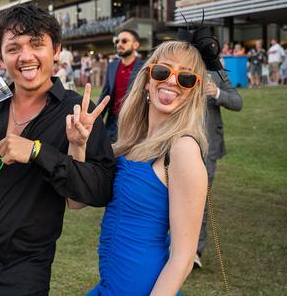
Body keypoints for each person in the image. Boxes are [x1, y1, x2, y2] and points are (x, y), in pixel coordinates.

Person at [0, 4, 115, 295]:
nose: (26, 56)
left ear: (56, 50)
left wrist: (39, 152)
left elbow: (100, 188)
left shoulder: (78, 111)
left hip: (21, 271)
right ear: (1, 57)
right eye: (14, 48)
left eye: (37, 44)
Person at [78, 38, 212, 295]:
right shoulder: (130, 141)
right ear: (148, 78)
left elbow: (183, 258)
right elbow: (76, 201)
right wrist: (79, 145)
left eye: (186, 78)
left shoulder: (183, 149)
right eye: (163, 71)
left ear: (194, 91)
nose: (172, 81)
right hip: (110, 285)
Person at [194, 68, 242, 268]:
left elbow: (237, 102)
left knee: (200, 199)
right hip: (177, 140)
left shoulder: (219, 72)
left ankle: (194, 251)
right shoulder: (181, 64)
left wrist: (217, 93)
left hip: (209, 145)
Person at [98, 29, 145, 142]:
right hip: (112, 123)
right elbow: (106, 94)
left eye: (124, 41)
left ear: (135, 45)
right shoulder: (112, 66)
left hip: (134, 124)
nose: (119, 44)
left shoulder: (145, 68)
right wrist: (95, 117)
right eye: (117, 41)